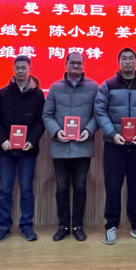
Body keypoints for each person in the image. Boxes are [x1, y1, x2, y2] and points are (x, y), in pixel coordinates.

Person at [95, 47, 136, 245]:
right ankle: (111, 226)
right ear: (119, 62)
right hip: (114, 144)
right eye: (124, 58)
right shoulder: (108, 85)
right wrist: (113, 134)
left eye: (131, 58)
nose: (128, 61)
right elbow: (100, 111)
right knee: (113, 186)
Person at [43, 51, 99, 242]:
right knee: (61, 187)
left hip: (83, 146)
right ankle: (63, 225)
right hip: (60, 146)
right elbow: (47, 115)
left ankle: (78, 226)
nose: (76, 65)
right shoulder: (55, 87)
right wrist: (57, 131)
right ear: (65, 64)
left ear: (83, 65)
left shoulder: (93, 87)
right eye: (72, 62)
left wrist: (89, 131)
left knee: (80, 187)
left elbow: (98, 114)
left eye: (79, 63)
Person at [0, 55, 45, 243]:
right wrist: (2, 140)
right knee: (5, 189)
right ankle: (4, 226)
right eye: (17, 68)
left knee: (27, 189)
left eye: (24, 68)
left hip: (28, 151)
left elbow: (40, 121)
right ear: (13, 70)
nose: (20, 71)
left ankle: (26, 226)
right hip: (5, 150)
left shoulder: (38, 95)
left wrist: (32, 140)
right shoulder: (3, 94)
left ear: (30, 70)